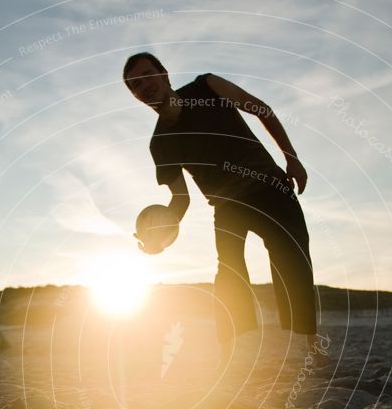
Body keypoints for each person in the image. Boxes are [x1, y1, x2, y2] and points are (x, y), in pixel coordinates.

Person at [123, 51, 323, 361]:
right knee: (229, 271)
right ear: (135, 96)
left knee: (292, 259)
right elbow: (180, 199)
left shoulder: (207, 86)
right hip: (227, 204)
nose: (144, 85)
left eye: (148, 75)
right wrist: (160, 236)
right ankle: (237, 349)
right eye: (135, 85)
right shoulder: (159, 143)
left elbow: (262, 110)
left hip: (270, 186)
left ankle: (306, 345)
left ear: (164, 74)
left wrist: (291, 158)